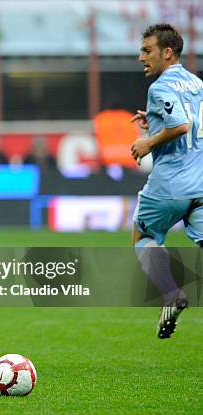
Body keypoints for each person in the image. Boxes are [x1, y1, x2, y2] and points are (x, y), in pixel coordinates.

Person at [130, 24, 203, 339]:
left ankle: (172, 294)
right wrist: (155, 119)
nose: (141, 57)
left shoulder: (159, 88)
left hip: (169, 185)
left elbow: (182, 126)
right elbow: (190, 120)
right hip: (199, 183)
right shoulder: (198, 84)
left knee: (143, 237)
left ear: (167, 52)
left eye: (147, 50)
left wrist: (148, 142)